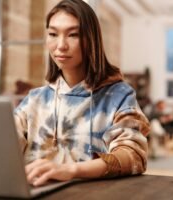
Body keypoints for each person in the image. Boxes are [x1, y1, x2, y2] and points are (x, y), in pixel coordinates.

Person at [13, 0, 150, 187]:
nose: (60, 45)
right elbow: (1, 146)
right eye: (53, 34)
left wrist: (71, 170)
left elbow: (133, 156)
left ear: (91, 40)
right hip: (35, 191)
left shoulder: (119, 96)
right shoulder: (35, 99)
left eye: (73, 35)